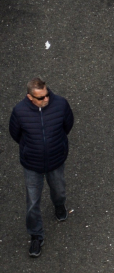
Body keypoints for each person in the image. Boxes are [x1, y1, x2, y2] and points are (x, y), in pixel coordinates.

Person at [8, 78, 74, 257]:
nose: (46, 99)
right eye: (41, 98)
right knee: (32, 203)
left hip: (55, 160)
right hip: (32, 164)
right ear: (30, 97)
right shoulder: (19, 112)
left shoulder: (60, 104)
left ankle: (59, 205)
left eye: (47, 94)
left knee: (59, 189)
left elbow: (67, 125)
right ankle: (36, 236)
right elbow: (15, 133)